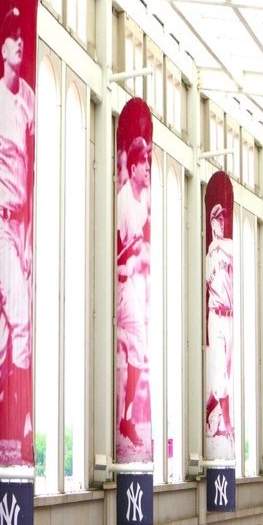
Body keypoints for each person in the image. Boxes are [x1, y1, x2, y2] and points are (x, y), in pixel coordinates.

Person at [0, 3, 35, 465]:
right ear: (1, 47)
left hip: (23, 223)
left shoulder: (28, 100)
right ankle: (19, 428)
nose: (20, 42)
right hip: (0, 220)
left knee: (6, 330)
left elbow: (31, 164)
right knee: (20, 316)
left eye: (23, 36)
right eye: (12, 36)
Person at [115, 134, 152, 456]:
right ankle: (121, 418)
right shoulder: (124, 201)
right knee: (130, 345)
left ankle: (126, 418)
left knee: (139, 344)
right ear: (134, 167)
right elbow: (116, 247)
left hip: (127, 283)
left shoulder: (142, 201)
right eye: (145, 163)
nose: (148, 168)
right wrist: (131, 249)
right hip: (115, 282)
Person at [205, 202, 235, 453]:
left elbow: (234, 252)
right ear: (211, 222)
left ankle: (207, 411)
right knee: (221, 375)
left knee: (226, 372)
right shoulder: (209, 255)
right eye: (218, 219)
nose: (222, 222)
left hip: (230, 315)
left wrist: (217, 245)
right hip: (215, 314)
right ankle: (227, 425)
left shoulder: (226, 246)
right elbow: (207, 284)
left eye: (223, 219)